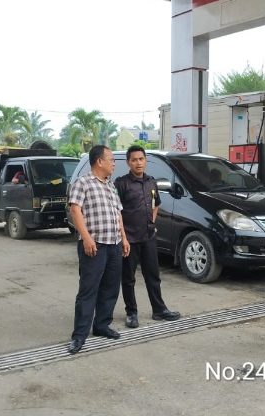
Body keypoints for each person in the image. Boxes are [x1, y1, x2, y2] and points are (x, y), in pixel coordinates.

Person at [67, 145, 130, 354]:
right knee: (88, 290)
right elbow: (75, 210)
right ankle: (79, 335)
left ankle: (102, 325)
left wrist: (124, 238)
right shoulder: (83, 182)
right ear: (99, 161)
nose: (114, 163)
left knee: (110, 287)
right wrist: (86, 238)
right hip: (94, 244)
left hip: (114, 244)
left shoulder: (111, 185)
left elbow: (118, 213)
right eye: (111, 159)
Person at [114, 145, 180, 329]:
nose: (138, 163)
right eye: (134, 160)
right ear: (128, 162)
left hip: (148, 236)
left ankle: (159, 309)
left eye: (141, 159)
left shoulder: (151, 182)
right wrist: (123, 237)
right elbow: (116, 211)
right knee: (128, 278)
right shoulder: (121, 183)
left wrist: (152, 222)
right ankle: (131, 313)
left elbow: (156, 204)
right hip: (129, 239)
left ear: (145, 161)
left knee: (153, 275)